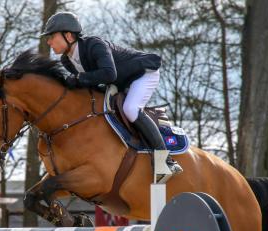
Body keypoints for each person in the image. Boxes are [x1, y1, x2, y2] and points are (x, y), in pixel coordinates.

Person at [41, 12, 183, 174]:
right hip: (118, 82)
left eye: (52, 36)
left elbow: (109, 74)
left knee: (130, 108)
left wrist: (78, 78)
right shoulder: (66, 60)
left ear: (68, 35)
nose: (49, 41)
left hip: (142, 74)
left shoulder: (94, 45)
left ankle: (165, 161)